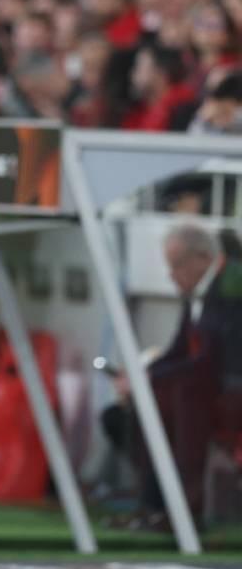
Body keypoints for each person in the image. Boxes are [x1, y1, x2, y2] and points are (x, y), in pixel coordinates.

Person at [112, 224, 242, 531]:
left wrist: (153, 379)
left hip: (231, 388)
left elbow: (211, 360)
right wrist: (143, 376)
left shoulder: (233, 286)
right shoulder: (197, 292)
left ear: (202, 257)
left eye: (177, 265)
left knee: (184, 398)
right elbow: (180, 350)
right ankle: (154, 504)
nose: (172, 275)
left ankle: (187, 510)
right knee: (150, 401)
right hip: (208, 387)